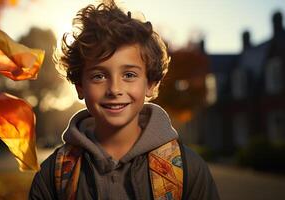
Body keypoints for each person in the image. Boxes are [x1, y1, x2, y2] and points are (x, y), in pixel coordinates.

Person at [29, 0, 220, 199]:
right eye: (98, 76)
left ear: (151, 84)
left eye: (129, 75)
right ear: (80, 86)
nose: (114, 89)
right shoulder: (54, 176)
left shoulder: (188, 171)